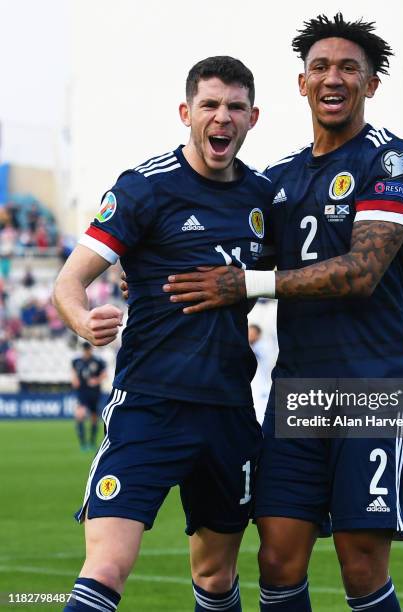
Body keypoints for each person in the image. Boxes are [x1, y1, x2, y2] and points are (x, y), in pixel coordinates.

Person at [161, 14, 403, 612]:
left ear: (372, 84)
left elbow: (360, 272)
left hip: (373, 387)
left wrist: (243, 282)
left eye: (349, 68)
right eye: (320, 68)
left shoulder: (393, 161)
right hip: (297, 392)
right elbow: (224, 253)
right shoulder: (276, 180)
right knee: (277, 560)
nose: (334, 78)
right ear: (302, 84)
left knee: (360, 563)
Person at [53, 56, 274, 612]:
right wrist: (84, 321)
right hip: (150, 406)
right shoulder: (143, 189)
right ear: (186, 112)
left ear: (253, 118)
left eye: (235, 108)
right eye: (210, 106)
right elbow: (70, 281)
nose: (222, 118)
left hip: (228, 410)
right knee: (106, 564)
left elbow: (284, 278)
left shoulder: (264, 199)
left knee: (217, 575)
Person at [71, 341, 107, 451]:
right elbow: (73, 373)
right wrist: (74, 379)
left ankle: (92, 442)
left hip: (95, 393)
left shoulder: (98, 361)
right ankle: (83, 443)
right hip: (82, 392)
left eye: (88, 349)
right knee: (80, 415)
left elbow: (104, 374)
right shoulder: (76, 361)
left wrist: (96, 380)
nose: (86, 352)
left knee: (94, 418)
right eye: (85, 350)